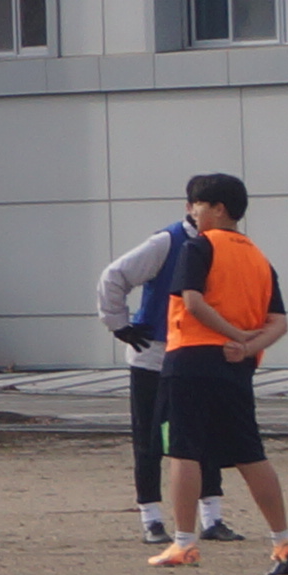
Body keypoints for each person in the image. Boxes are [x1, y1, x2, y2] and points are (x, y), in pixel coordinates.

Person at [143, 170, 288, 568]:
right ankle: (282, 539)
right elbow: (279, 321)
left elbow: (192, 302)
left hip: (190, 359)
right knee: (250, 452)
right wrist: (248, 346)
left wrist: (235, 336)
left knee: (183, 450)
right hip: (235, 369)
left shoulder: (198, 247)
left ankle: (183, 541)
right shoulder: (258, 257)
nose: (190, 211)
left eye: (195, 203)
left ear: (217, 209)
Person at [88, 204, 196, 551]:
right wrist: (119, 325)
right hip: (154, 353)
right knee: (150, 436)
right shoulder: (167, 241)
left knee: (200, 434)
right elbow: (114, 275)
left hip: (197, 352)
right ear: (190, 207)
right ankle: (150, 515)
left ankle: (212, 514)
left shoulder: (223, 244)